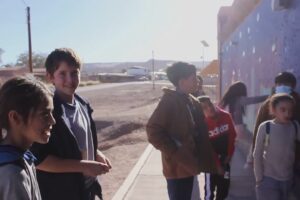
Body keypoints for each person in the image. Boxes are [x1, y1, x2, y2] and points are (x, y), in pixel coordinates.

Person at [31, 48, 111, 200]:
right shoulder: (47, 112)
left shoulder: (83, 104)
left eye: (74, 73)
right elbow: (39, 159)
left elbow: (81, 140)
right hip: (61, 193)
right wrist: (84, 165)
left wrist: (96, 152)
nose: (70, 79)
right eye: (62, 73)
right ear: (50, 77)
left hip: (87, 188)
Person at [146, 62, 217, 200]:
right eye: (193, 78)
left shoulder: (190, 100)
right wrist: (175, 150)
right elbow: (153, 130)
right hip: (177, 169)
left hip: (190, 166)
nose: (197, 81)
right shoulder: (169, 101)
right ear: (182, 82)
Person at [0, 76, 56, 200]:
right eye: (45, 114)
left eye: (52, 113)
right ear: (15, 117)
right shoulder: (12, 173)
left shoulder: (22, 157)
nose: (53, 121)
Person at [252, 71, 300, 198]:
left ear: (293, 86)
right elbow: (258, 132)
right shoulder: (267, 105)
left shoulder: (297, 104)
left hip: (292, 170)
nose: (287, 113)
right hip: (269, 174)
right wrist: (259, 177)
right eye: (279, 83)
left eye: (286, 83)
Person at [198, 96, 236, 200]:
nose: (209, 108)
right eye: (204, 108)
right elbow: (207, 148)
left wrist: (229, 154)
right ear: (201, 112)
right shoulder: (203, 125)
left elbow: (232, 137)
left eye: (209, 104)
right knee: (209, 193)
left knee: (224, 190)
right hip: (211, 164)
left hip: (226, 161)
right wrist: (217, 165)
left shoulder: (226, 116)